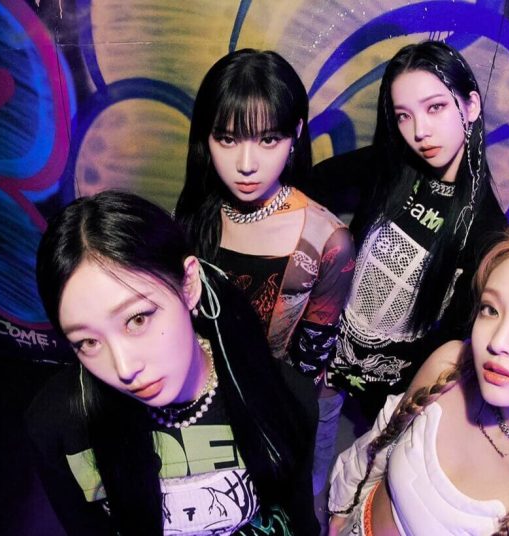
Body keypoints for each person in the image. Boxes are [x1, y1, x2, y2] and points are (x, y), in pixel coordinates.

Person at [27, 190, 319, 535]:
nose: (124, 368)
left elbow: (297, 518)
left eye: (137, 319)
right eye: (88, 342)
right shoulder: (57, 424)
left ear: (189, 284)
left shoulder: (284, 396)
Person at [328, 217, 509, 536]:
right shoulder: (449, 365)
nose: (498, 341)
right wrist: (342, 512)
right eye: (491, 309)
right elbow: (381, 443)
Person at [173, 49, 355, 524]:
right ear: (205, 137)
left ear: (296, 135)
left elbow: (310, 367)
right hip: (193, 404)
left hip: (273, 414)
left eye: (268, 138)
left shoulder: (326, 241)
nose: (246, 164)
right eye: (227, 138)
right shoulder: (195, 214)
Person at [314, 41, 507, 421]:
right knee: (320, 421)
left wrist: (410, 403)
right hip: (333, 350)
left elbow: (453, 340)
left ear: (471, 106)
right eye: (403, 116)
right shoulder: (391, 166)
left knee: (369, 448)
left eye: (435, 107)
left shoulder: (486, 229)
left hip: (395, 389)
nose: (419, 131)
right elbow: (315, 183)